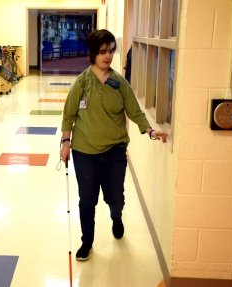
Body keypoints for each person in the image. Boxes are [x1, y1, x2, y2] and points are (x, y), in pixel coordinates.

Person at [60, 29, 167, 261]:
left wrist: (149, 130)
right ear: (92, 54)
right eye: (102, 52)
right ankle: (86, 242)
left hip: (114, 152)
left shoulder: (119, 83)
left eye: (110, 51)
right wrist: (65, 142)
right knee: (87, 200)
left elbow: (135, 111)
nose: (107, 56)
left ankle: (116, 216)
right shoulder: (82, 83)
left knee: (115, 196)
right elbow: (68, 115)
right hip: (84, 152)